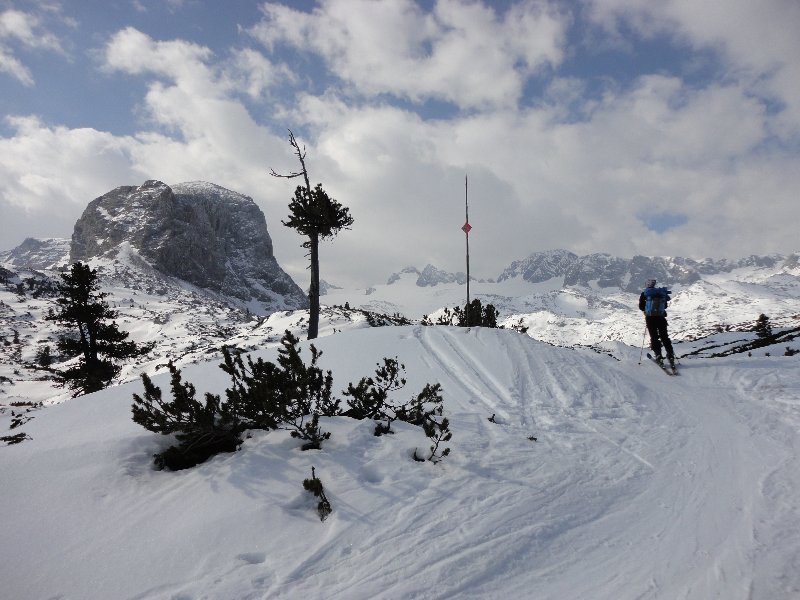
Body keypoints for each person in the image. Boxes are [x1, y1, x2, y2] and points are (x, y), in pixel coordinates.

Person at [639, 278, 675, 368]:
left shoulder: (645, 293)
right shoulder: (661, 293)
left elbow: (641, 306)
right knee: (664, 336)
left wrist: (647, 309)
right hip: (661, 318)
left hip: (650, 318)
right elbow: (665, 306)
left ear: (647, 285)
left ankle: (658, 356)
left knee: (654, 337)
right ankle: (670, 354)